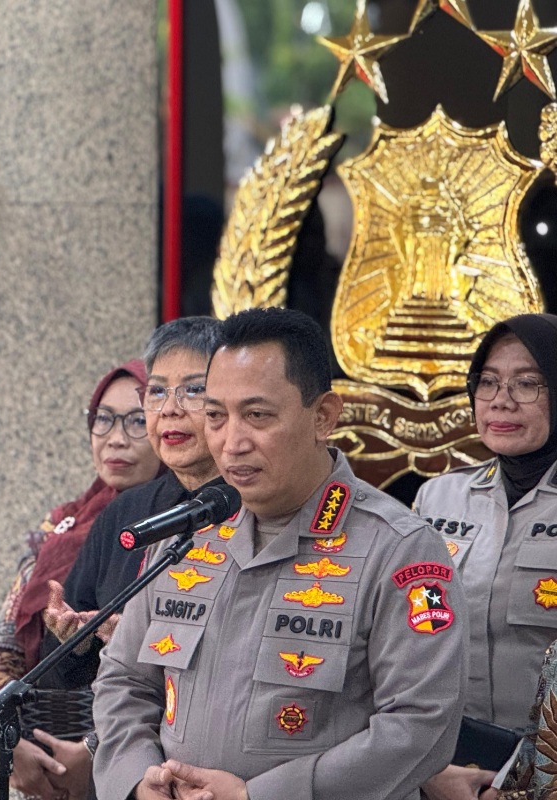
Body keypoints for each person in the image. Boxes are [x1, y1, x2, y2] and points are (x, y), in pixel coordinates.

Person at [92, 307, 468, 800]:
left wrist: (263, 796)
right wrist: (140, 779)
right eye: (216, 417)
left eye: (257, 416)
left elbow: (422, 724)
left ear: (323, 417)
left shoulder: (398, 548)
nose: (232, 442)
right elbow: (124, 680)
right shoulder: (189, 534)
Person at [41, 317, 222, 791]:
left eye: (193, 391)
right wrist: (76, 639)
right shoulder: (127, 514)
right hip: (131, 773)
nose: (170, 410)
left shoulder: (256, 508)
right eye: (158, 392)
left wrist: (147, 640)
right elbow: (59, 676)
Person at [0, 359, 162, 800]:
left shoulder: (181, 528)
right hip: (36, 760)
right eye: (103, 419)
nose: (116, 438)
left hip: (135, 768)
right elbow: (4, 644)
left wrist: (94, 752)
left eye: (137, 421)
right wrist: (8, 741)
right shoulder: (59, 527)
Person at [413, 313, 557, 800]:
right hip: (447, 769)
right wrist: (429, 772)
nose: (501, 400)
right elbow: (397, 644)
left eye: (528, 383)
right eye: (488, 382)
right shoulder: (437, 499)